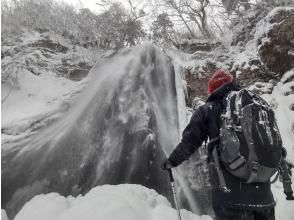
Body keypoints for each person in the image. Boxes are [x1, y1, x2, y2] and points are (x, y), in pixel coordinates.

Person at [162, 70, 277, 220]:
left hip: (230, 198)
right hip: (265, 199)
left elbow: (190, 141)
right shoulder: (256, 105)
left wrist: (172, 161)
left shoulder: (209, 109)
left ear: (212, 90)